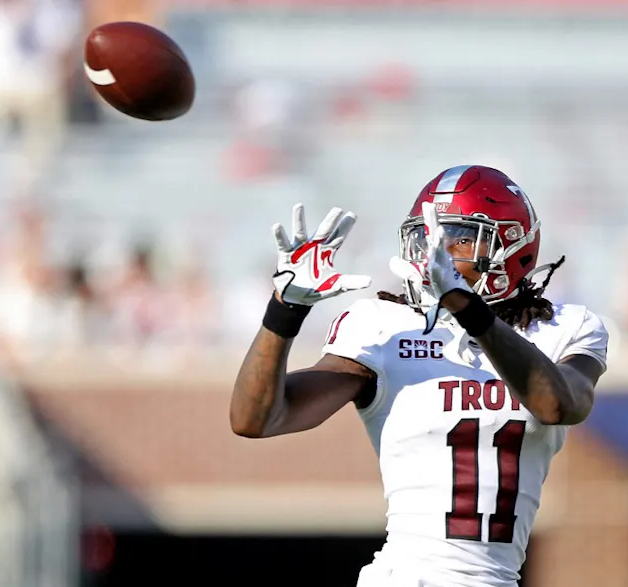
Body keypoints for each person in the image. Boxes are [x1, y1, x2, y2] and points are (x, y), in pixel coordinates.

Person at [230, 165, 609, 587]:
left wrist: (469, 311)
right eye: (427, 237)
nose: (437, 252)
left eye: (461, 237)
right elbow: (256, 418)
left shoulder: (564, 328)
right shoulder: (385, 325)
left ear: (514, 246)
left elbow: (560, 404)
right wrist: (285, 309)